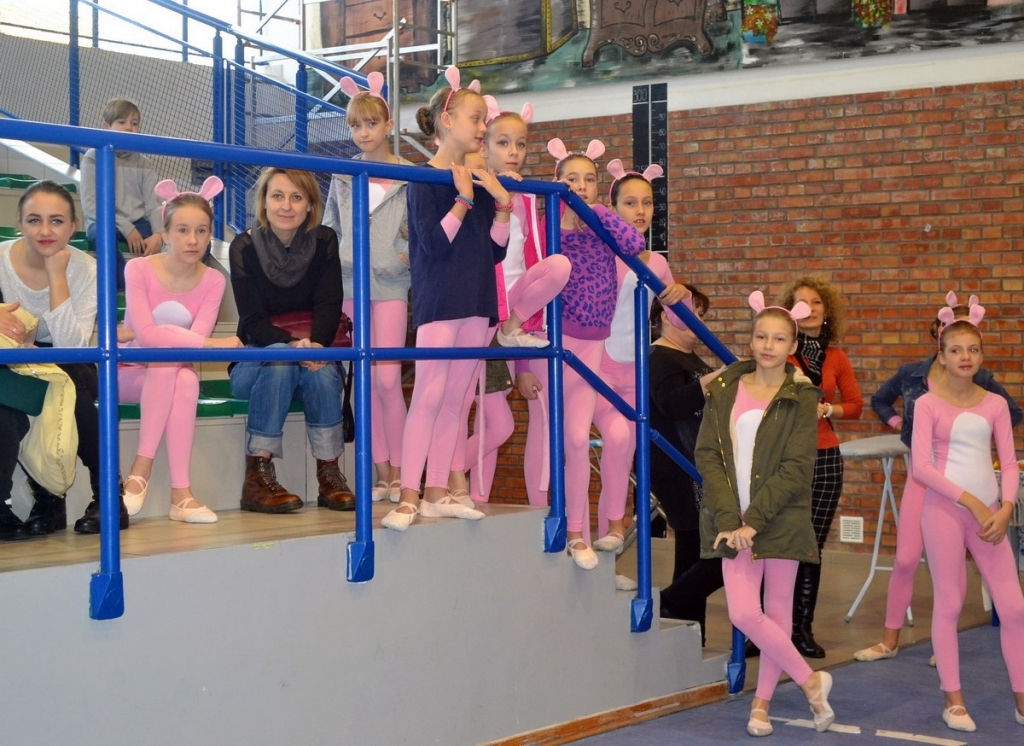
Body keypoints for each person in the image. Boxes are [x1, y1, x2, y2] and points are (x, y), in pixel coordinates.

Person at [854, 292, 1023, 662]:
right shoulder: (912, 373)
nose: (964, 353)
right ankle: (889, 641)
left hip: (965, 482)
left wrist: (979, 437)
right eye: (954, 338)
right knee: (905, 560)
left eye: (971, 343)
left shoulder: (982, 380)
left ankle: (945, 640)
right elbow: (880, 401)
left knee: (956, 564)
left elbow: (1009, 413)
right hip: (926, 479)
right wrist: (901, 425)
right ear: (940, 335)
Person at [696, 291, 835, 737]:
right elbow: (708, 456)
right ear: (751, 339)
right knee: (742, 612)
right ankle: (811, 682)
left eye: (778, 338)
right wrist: (730, 520)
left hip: (780, 517)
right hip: (732, 520)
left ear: (792, 345)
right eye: (761, 336)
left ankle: (762, 704)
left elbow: (797, 467)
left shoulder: (802, 397)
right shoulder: (724, 389)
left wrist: (754, 521)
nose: (768, 345)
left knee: (777, 614)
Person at [381, 66, 511, 531]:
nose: (482, 127)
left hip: (478, 301)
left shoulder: (478, 179)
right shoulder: (424, 180)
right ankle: (409, 495)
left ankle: (437, 491)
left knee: (456, 399)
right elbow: (434, 246)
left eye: (484, 120)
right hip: (441, 301)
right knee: (429, 394)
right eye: (475, 119)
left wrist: (502, 206)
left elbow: (496, 252)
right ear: (447, 120)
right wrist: (462, 200)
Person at [526, 138, 646, 569]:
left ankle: (577, 533)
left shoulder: (600, 225)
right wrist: (521, 364)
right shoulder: (549, 227)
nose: (580, 186)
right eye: (571, 179)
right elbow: (529, 277)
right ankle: (544, 522)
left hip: (592, 343)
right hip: (554, 343)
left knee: (578, 438)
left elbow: (634, 242)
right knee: (549, 437)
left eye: (589, 180)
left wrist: (597, 213)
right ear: (558, 184)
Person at [452, 97, 571, 503]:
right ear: (484, 146)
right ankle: (461, 488)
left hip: (516, 316)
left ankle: (538, 512)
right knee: (491, 421)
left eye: (520, 144)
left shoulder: (528, 195)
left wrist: (522, 325)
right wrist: (490, 184)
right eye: (503, 143)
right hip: (484, 311)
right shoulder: (476, 187)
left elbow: (538, 252)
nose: (514, 152)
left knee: (559, 266)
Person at [910, 309, 1024, 733]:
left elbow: (1008, 462)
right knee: (951, 601)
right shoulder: (926, 404)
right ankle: (953, 700)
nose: (965, 357)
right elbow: (921, 467)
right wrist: (974, 503)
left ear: (981, 355)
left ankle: (1022, 698)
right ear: (941, 356)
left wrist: (1006, 507)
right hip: (945, 512)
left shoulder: (995, 403)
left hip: (992, 515)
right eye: (956, 350)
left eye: (973, 349)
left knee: (1014, 607)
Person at [0, 180, 130, 535]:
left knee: (70, 381)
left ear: (74, 226)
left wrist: (57, 276)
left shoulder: (86, 269)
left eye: (56, 221)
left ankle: (107, 496)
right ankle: (45, 501)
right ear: (19, 223)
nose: (45, 231)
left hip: (67, 362)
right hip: (11, 363)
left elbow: (72, 345)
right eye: (34, 220)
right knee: (8, 407)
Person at [228, 168, 353, 514]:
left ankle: (329, 473)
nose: (286, 206)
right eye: (277, 196)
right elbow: (252, 322)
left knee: (322, 370)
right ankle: (257, 475)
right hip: (256, 364)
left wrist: (316, 346)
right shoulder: (243, 246)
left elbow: (329, 304)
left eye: (296, 197)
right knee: (281, 357)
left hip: (309, 355)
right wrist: (296, 345)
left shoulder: (325, 241)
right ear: (264, 203)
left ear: (310, 205)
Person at [117, 177, 242, 523]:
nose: (193, 240)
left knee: (182, 375)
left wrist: (177, 339)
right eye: (183, 230)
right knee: (166, 364)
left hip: (173, 373)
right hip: (127, 373)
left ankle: (176, 493)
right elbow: (147, 336)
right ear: (165, 233)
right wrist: (212, 343)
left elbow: (188, 346)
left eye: (201, 231)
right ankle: (149, 472)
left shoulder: (215, 279)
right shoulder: (138, 268)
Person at [324, 72, 414, 505]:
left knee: (388, 379)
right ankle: (381, 473)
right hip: (350, 284)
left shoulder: (411, 176)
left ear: (389, 125)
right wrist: (339, 257)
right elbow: (331, 227)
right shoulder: (342, 175)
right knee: (364, 381)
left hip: (392, 284)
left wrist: (404, 256)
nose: (363, 132)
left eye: (371, 124)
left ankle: (402, 471)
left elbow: (421, 229)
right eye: (356, 125)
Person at [592, 160, 690, 555]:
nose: (640, 211)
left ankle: (606, 553)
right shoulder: (600, 254)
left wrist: (681, 296)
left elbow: (679, 324)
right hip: (598, 366)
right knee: (616, 438)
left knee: (627, 447)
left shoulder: (657, 262)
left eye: (647, 203)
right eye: (630, 203)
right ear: (612, 209)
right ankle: (617, 524)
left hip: (636, 371)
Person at [781, 276, 862, 658]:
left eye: (817, 302)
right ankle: (765, 629)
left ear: (826, 311)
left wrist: (829, 409)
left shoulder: (837, 357)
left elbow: (856, 405)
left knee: (811, 546)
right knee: (778, 542)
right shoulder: (780, 351)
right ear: (790, 312)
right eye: (803, 302)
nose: (811, 309)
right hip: (785, 457)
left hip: (826, 457)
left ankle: (801, 630)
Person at [648, 288, 728, 641]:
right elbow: (671, 404)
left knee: (694, 546)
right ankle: (672, 603)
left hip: (698, 459)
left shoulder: (689, 357)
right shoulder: (659, 357)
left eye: (701, 315)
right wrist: (716, 380)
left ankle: (689, 634)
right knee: (709, 546)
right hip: (677, 461)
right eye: (692, 314)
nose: (699, 323)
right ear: (667, 316)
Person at [81, 98, 164, 292]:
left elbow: (153, 205)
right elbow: (91, 205)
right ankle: (122, 289)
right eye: (122, 122)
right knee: (103, 235)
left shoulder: (144, 163)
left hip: (139, 222)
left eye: (134, 124)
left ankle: (164, 289)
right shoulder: (93, 157)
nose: (129, 128)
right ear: (106, 127)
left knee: (172, 238)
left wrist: (159, 235)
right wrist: (127, 228)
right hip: (102, 221)